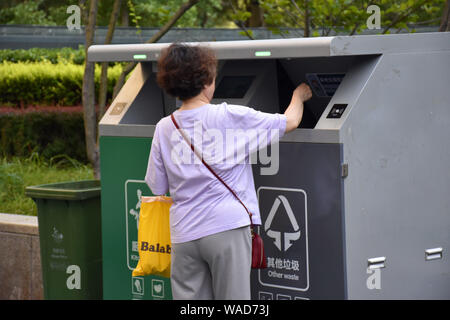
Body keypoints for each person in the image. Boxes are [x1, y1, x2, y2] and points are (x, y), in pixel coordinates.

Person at [145, 43, 312, 300]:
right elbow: (290, 121)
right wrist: (298, 96)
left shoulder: (164, 127)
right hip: (226, 229)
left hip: (183, 235)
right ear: (206, 80)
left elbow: (157, 187)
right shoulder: (229, 116)